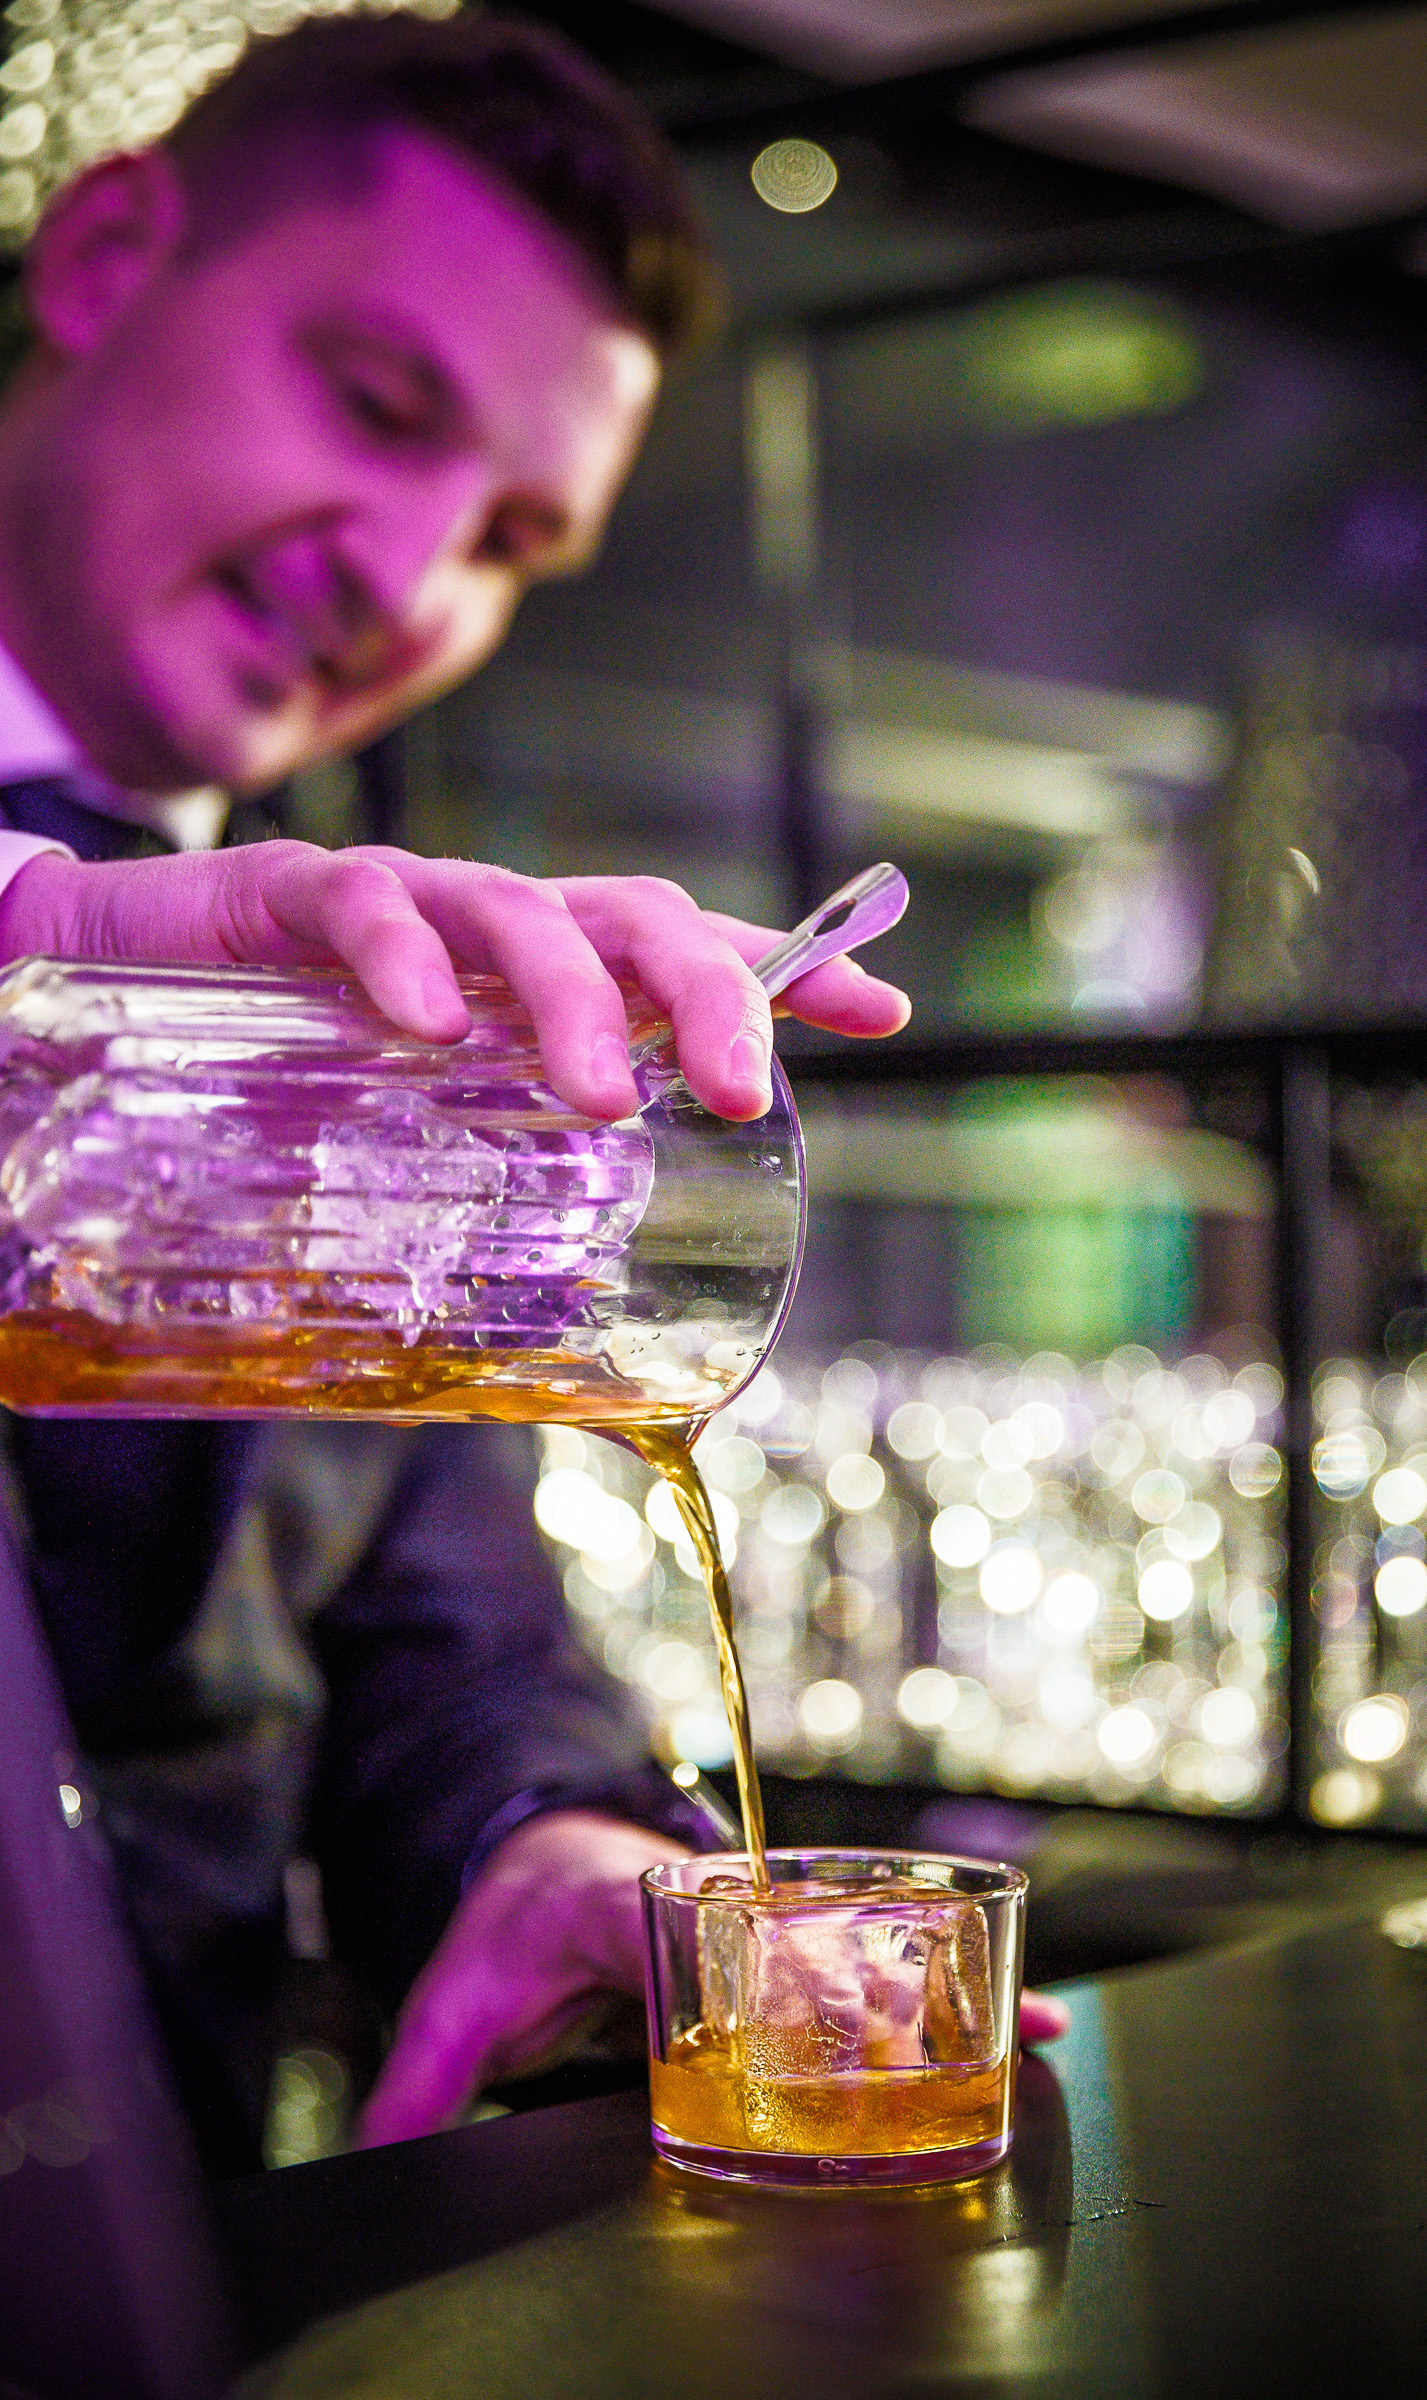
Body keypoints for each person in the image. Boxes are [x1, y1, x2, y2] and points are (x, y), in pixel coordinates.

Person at [0, 8, 1067, 2168]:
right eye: (375, 403)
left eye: (506, 538)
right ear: (106, 257)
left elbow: (451, 1621)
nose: (407, 585)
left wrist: (553, 1850)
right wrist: (40, 949)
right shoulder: (205, 948)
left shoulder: (365, 1025)